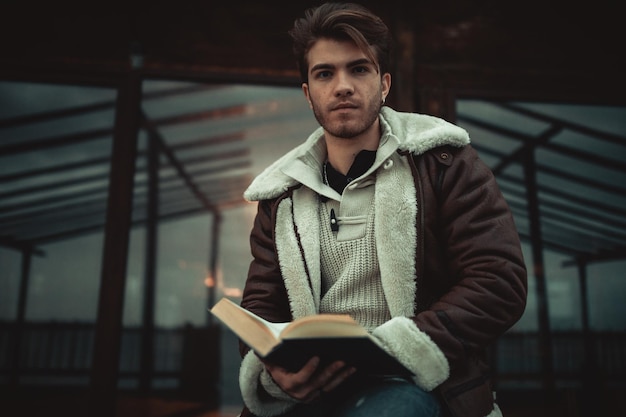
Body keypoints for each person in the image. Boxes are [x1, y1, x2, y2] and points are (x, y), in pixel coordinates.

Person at [236, 2, 527, 416]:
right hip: (312, 388)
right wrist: (273, 369)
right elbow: (260, 307)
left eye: (359, 69)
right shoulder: (280, 196)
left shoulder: (445, 163)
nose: (342, 86)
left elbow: (499, 280)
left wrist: (397, 347)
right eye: (324, 73)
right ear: (308, 93)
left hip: (412, 381)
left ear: (384, 83)